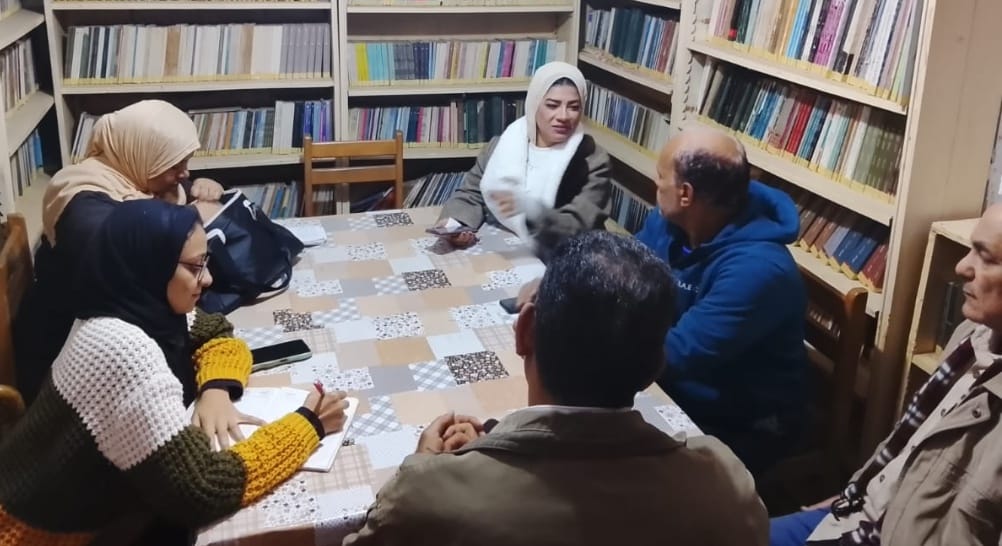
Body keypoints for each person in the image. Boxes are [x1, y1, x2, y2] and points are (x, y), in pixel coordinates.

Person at [343, 230, 768, 546]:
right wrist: (494, 445)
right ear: (655, 364)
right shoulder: (723, 482)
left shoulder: (428, 495)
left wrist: (423, 467)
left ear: (524, 330)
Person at [0, 200, 348, 545]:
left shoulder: (130, 305)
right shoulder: (123, 351)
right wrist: (308, 426)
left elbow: (216, 333)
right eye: (195, 267)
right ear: (151, 264)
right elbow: (202, 490)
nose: (208, 278)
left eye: (206, 262)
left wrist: (215, 389)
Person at [770, 203, 1002, 546]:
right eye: (970, 249)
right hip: (855, 515)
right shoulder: (972, 334)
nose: (961, 266)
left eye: (986, 257)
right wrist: (854, 493)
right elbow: (909, 445)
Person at [14, 99, 224, 406]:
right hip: (79, 365)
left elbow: (171, 198)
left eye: (186, 162)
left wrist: (203, 188)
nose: (184, 173)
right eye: (175, 165)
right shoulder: (82, 206)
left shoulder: (132, 171)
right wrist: (190, 215)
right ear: (142, 152)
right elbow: (146, 266)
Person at [634, 126, 808, 475]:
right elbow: (624, 268)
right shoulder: (671, 221)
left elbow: (676, 354)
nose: (656, 184)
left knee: (616, 469)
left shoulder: (758, 270)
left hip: (744, 421)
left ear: (686, 193)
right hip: (679, 385)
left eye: (661, 177)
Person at [434, 61, 611, 258]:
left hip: (571, 256)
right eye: (552, 105)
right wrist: (454, 225)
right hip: (510, 247)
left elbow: (579, 225)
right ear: (534, 104)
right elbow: (471, 193)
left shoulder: (592, 159)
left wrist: (533, 210)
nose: (563, 116)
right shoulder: (503, 145)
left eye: (574, 107)